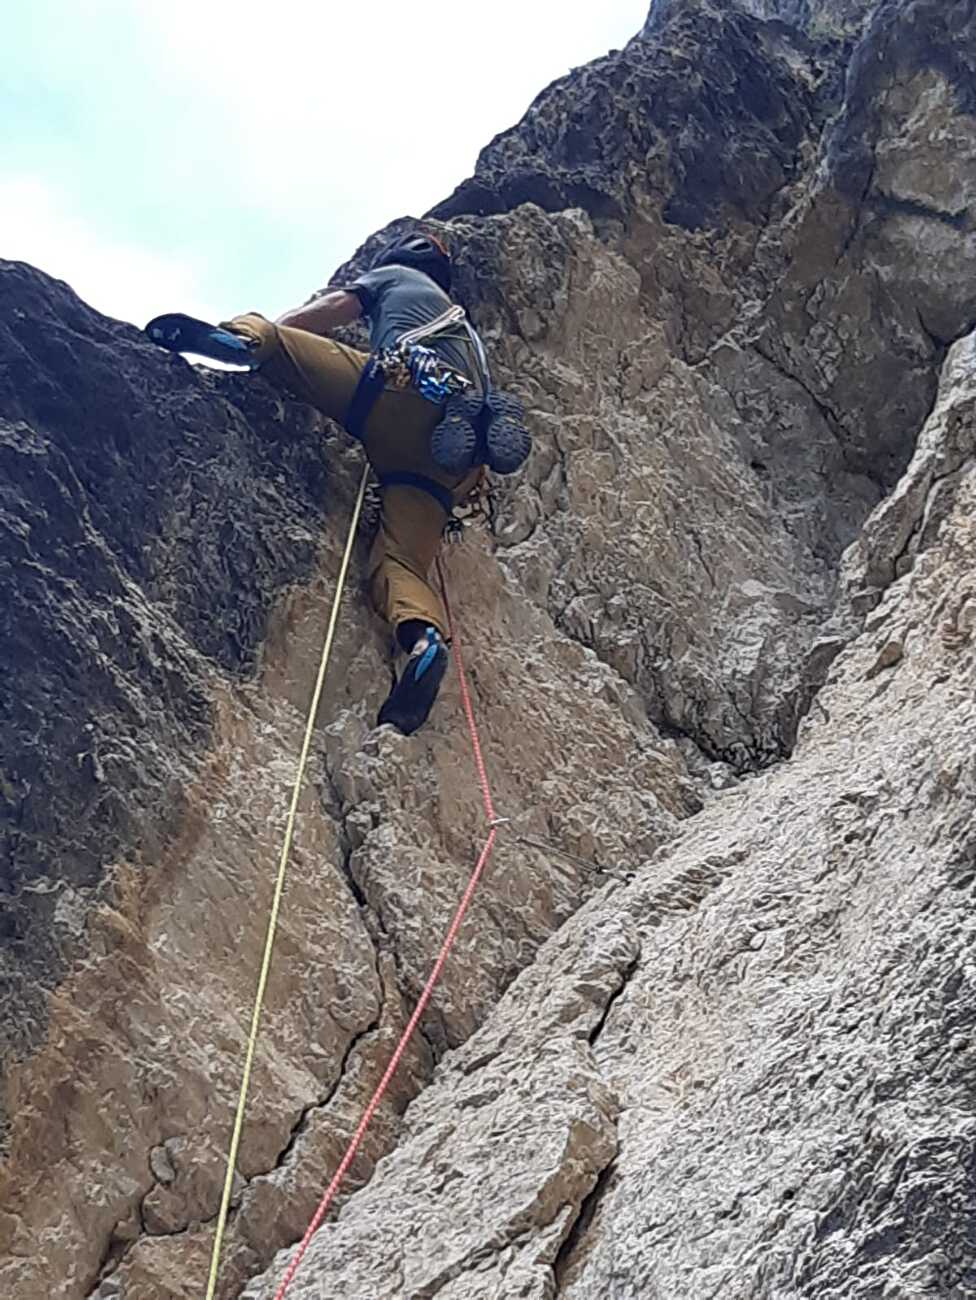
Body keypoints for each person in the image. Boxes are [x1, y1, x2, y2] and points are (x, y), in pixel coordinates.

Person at [146, 230, 529, 735]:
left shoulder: (396, 278)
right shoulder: (466, 337)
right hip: (454, 465)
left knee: (278, 341)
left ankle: (239, 340)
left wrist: (281, 337)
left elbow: (331, 308)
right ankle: (422, 639)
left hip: (400, 396)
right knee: (399, 561)